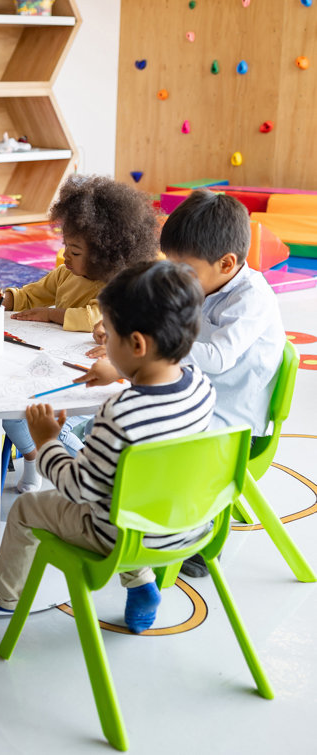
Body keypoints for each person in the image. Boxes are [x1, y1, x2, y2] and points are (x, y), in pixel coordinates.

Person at [0, 260, 216, 634]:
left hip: (118, 533)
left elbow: (78, 489)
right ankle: (141, 583)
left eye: (109, 337)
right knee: (134, 492)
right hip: (185, 524)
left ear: (136, 344)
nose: (104, 345)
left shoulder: (119, 413)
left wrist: (47, 441)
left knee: (27, 509)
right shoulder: (201, 387)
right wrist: (121, 370)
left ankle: (1, 595)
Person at [0, 175, 159, 494]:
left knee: (19, 413)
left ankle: (63, 466)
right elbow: (32, 294)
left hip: (83, 381)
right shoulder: (65, 273)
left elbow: (94, 317)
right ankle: (33, 458)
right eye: (64, 246)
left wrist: (52, 314)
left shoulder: (119, 286)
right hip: (48, 366)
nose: (65, 256)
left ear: (105, 253)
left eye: (74, 251)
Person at [161, 189, 286, 576]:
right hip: (200, 396)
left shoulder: (252, 297)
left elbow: (216, 357)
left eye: (185, 271)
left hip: (233, 415)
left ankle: (198, 534)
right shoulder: (204, 282)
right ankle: (149, 512)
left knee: (157, 437)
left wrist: (156, 346)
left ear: (228, 263)